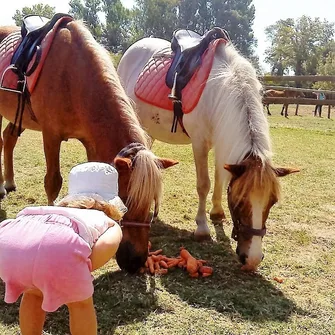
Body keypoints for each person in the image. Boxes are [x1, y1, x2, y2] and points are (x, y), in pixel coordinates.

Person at [0, 162, 126, 335]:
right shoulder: (105, 220)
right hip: (59, 247)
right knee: (80, 303)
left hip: (11, 240)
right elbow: (105, 246)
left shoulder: (51, 210)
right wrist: (77, 269)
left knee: (33, 292)